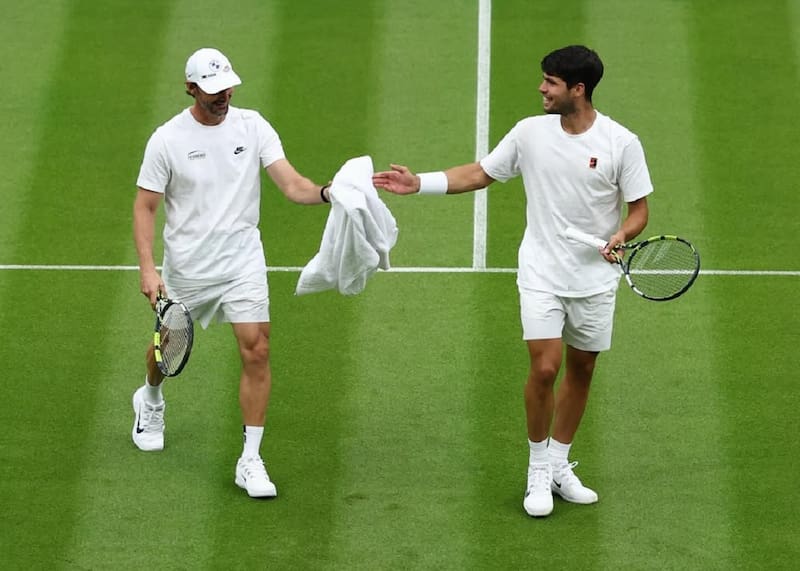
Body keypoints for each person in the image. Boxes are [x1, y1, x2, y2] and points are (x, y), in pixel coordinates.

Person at [372, 45, 653, 517]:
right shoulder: (529, 134)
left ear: (577, 90)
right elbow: (481, 173)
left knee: (582, 370)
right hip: (541, 271)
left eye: (551, 82)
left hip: (595, 278)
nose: (541, 89)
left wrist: (621, 234)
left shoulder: (621, 143)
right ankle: (538, 467)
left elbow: (639, 209)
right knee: (545, 368)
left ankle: (561, 464)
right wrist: (420, 182)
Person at [132, 47, 333, 499]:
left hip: (242, 263)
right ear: (190, 89)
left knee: (257, 349)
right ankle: (150, 398)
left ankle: (250, 459)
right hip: (188, 267)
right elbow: (146, 207)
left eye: (226, 87)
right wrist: (148, 269)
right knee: (168, 349)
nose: (222, 95)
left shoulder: (253, 126)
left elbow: (292, 184)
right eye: (211, 90)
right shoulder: (166, 139)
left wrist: (327, 192)